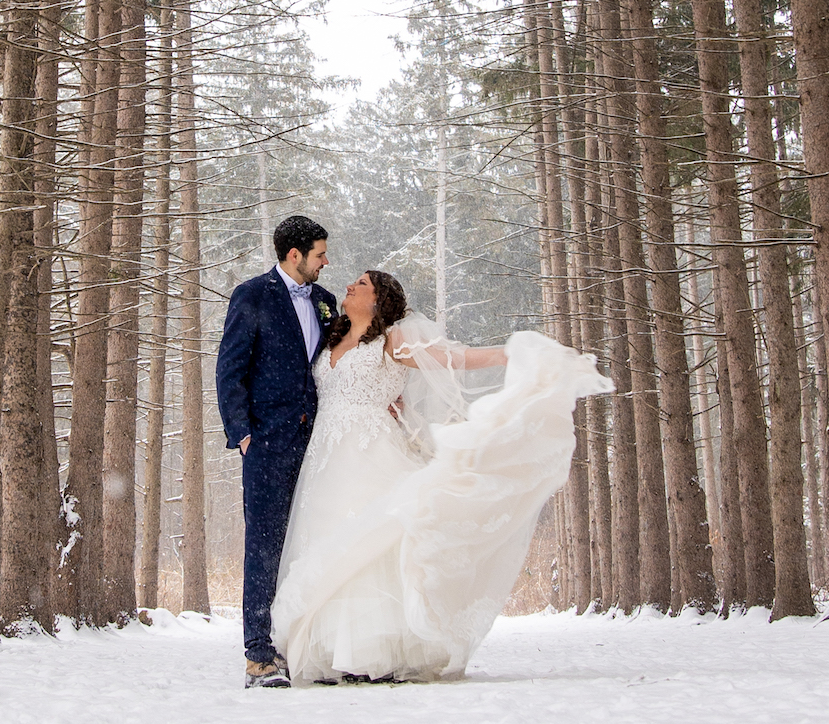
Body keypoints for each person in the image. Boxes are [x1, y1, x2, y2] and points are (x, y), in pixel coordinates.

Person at [271, 269, 612, 685]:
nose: (349, 286)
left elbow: (455, 357)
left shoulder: (392, 341)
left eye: (361, 284)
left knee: (373, 541)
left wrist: (510, 354)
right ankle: (330, 650)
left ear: (379, 300)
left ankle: (377, 651)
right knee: (326, 537)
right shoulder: (329, 339)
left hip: (371, 450)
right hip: (325, 456)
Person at [215, 214, 337, 688]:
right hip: (267, 445)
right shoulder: (253, 295)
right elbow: (230, 370)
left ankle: (307, 648)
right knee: (264, 547)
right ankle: (260, 656)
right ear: (294, 255)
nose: (326, 262)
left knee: (311, 543)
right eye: (320, 254)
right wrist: (244, 434)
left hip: (321, 444)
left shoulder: (326, 302)